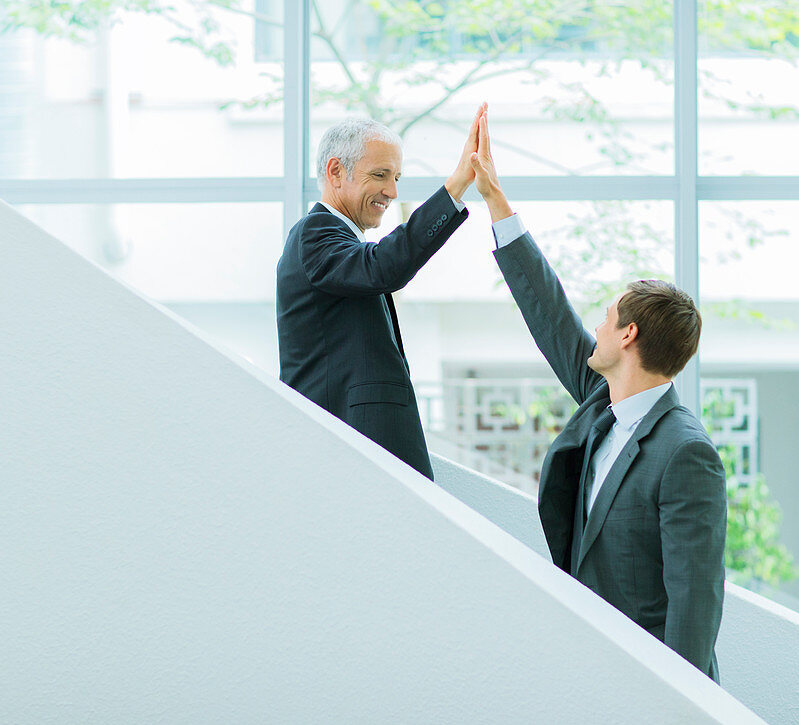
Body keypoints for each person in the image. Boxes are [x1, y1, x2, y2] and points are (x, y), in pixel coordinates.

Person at [467, 112, 727, 681]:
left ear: (628, 335)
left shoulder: (686, 453)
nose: (598, 328)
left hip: (647, 689)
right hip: (589, 673)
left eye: (608, 317)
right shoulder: (601, 404)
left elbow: (695, 604)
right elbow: (550, 316)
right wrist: (495, 202)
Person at [277, 108, 484, 480]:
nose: (392, 191)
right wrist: (455, 186)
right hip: (347, 444)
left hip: (353, 445)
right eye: (380, 175)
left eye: (396, 177)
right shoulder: (314, 236)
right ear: (336, 172)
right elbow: (383, 267)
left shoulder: (337, 244)